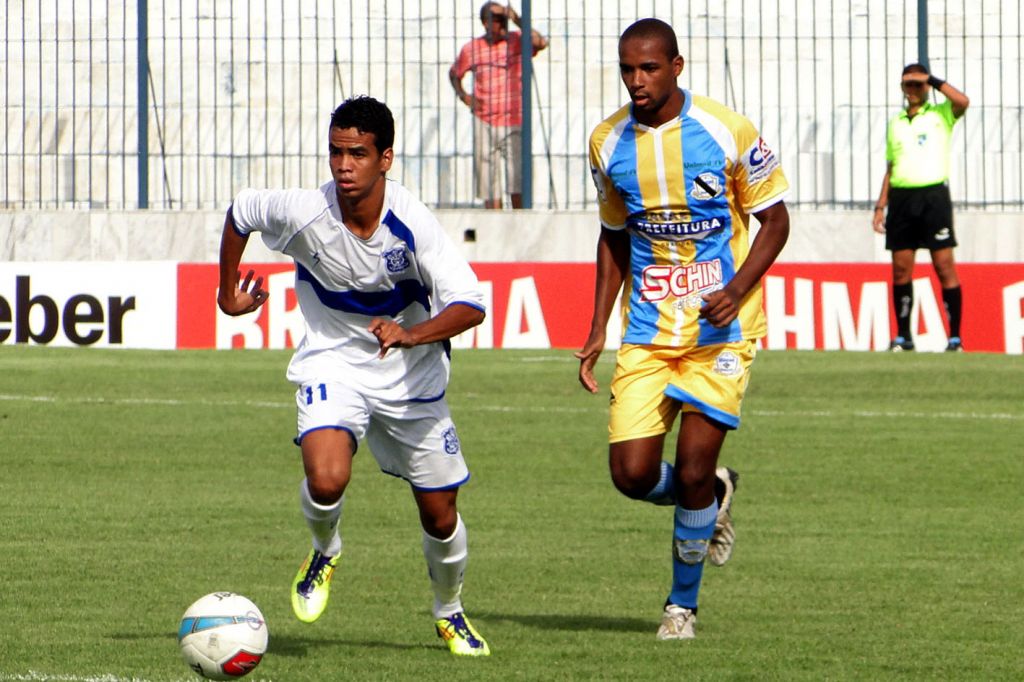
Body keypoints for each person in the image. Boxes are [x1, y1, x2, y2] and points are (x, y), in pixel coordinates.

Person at [216, 96, 491, 657]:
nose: (344, 166)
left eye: (358, 154)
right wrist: (226, 294)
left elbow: (471, 305)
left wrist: (411, 334)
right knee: (326, 479)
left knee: (441, 516)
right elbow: (241, 212)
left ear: (385, 158)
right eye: (336, 152)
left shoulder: (413, 224)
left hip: (411, 378)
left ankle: (449, 611)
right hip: (334, 361)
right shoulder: (304, 210)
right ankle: (325, 551)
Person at [576, 18, 790, 641]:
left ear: (676, 66)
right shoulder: (606, 142)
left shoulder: (727, 130)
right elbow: (614, 236)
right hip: (647, 329)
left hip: (719, 331)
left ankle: (680, 609)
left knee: (692, 468)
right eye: (627, 69)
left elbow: (775, 220)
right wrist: (597, 327)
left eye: (648, 68)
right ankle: (713, 494)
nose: (636, 80)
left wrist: (736, 289)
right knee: (632, 475)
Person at [873, 64, 970, 352]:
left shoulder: (941, 115)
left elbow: (963, 101)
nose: (913, 90)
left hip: (933, 198)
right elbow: (891, 166)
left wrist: (934, 80)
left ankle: (955, 338)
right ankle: (904, 336)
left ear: (926, 86)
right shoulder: (896, 122)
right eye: (908, 85)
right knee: (901, 269)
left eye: (918, 84)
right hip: (902, 200)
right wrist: (880, 205)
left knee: (944, 266)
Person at [449, 2, 548, 209]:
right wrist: (464, 96)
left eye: (504, 20)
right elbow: (454, 74)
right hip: (484, 120)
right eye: (498, 20)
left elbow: (541, 42)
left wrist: (516, 19)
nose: (503, 24)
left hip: (514, 120)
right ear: (486, 23)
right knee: (489, 185)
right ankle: (494, 223)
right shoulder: (472, 49)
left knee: (517, 182)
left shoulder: (517, 40)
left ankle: (519, 222)